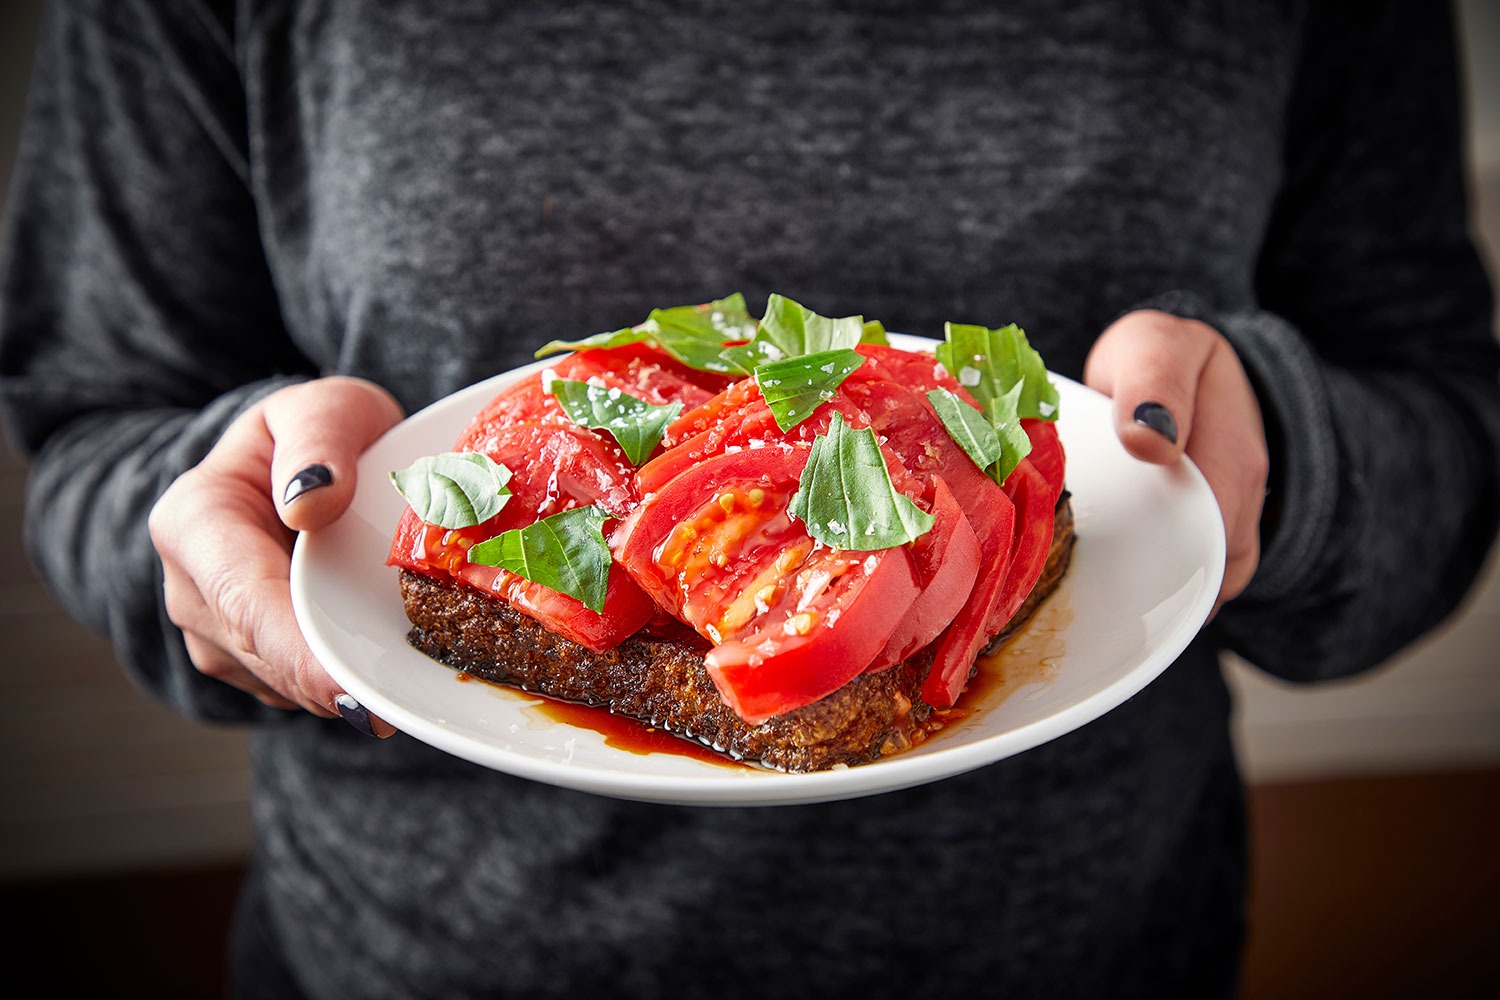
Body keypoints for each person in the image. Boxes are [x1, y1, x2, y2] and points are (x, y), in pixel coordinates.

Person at [3, 1, 1497, 997]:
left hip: (1087, 947)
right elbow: (91, 418)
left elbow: (1443, 411)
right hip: (422, 961)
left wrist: (1291, 459)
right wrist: (219, 522)